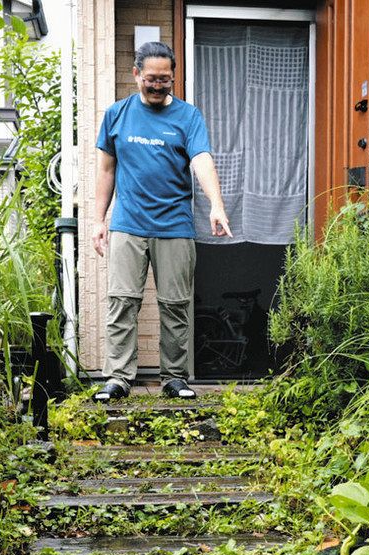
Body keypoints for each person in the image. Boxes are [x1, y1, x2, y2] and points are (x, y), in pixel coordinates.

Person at [91, 40, 232, 402]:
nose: (157, 86)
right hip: (128, 223)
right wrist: (98, 219)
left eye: (165, 80)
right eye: (151, 78)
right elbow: (107, 171)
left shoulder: (188, 116)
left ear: (173, 78)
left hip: (175, 225)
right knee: (122, 301)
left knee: (175, 304)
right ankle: (119, 378)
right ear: (136, 74)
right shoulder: (117, 114)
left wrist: (216, 204)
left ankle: (174, 378)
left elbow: (201, 160)